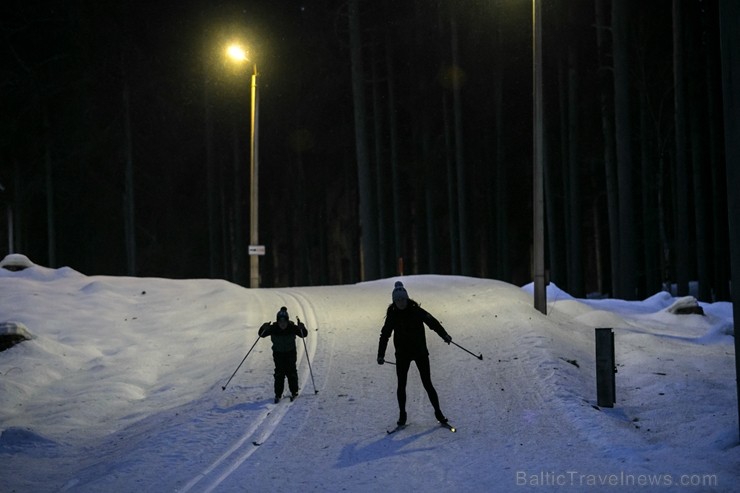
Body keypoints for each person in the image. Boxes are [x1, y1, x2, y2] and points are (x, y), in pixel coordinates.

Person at [377, 281, 452, 426]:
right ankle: (402, 415)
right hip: (402, 354)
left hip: (420, 352)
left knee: (427, 383)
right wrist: (381, 354)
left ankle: (438, 413)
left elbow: (433, 322)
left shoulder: (416, 311)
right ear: (394, 301)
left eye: (403, 299)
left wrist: (444, 335)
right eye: (398, 300)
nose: (401, 303)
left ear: (407, 298)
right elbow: (384, 335)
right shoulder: (393, 315)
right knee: (401, 385)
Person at [259, 306, 308, 403]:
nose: (282, 324)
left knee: (291, 372)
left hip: (290, 353)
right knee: (279, 373)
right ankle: (278, 394)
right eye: (280, 322)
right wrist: (263, 327)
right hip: (278, 354)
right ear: (277, 321)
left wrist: (302, 327)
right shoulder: (273, 328)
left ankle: (294, 391)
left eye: (284, 322)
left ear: (287, 321)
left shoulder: (292, 327)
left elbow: (303, 334)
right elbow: (262, 334)